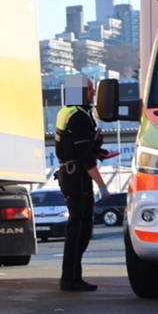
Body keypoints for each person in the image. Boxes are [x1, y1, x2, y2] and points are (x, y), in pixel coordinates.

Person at [53, 79, 114, 292]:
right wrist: (102, 185)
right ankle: (70, 279)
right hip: (76, 176)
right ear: (79, 92)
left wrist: (100, 150)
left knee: (81, 227)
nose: (93, 93)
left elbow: (80, 148)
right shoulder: (79, 117)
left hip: (73, 174)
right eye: (89, 89)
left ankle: (72, 277)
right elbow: (84, 156)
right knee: (79, 227)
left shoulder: (74, 112)